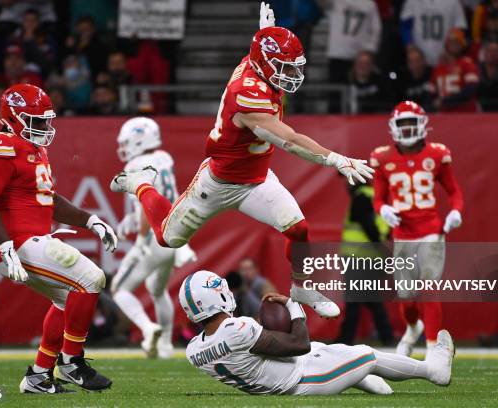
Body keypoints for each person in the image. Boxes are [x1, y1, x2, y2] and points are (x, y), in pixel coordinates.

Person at [110, 3, 374, 319]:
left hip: (258, 179)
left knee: (299, 229)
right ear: (264, 65)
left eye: (294, 67)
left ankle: (301, 287)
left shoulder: (256, 64)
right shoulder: (247, 94)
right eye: (285, 67)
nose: (292, 75)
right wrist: (335, 159)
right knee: (167, 237)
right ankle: (140, 184)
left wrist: (263, 31)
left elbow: (257, 54)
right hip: (219, 183)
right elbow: (289, 140)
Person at [0, 83, 117, 393]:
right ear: (13, 118)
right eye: (37, 121)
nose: (45, 127)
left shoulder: (34, 149)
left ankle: (38, 375)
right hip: (15, 242)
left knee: (68, 301)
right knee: (91, 278)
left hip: (27, 239)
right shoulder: (1, 143)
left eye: (47, 120)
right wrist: (6, 246)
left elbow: (49, 200)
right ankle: (71, 361)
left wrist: (92, 220)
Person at [181, 270, 454, 396]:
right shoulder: (237, 329)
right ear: (216, 297)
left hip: (281, 377)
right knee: (366, 355)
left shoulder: (194, 350)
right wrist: (293, 306)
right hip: (304, 381)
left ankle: (369, 383)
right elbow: (299, 343)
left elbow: (257, 347)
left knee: (323, 347)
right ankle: (433, 371)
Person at [370, 101, 464, 358]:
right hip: (403, 233)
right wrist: (383, 210)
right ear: (394, 127)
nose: (409, 129)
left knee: (430, 287)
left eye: (412, 123)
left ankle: (434, 349)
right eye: (403, 124)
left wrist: (455, 211)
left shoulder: (436, 154)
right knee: (407, 299)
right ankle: (413, 328)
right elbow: (378, 198)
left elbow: (454, 191)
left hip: (432, 230)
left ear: (423, 125)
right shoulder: (382, 157)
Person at [111, 117, 197, 359]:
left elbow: (145, 206)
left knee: (119, 289)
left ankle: (149, 329)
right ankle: (166, 347)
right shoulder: (164, 157)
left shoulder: (137, 164)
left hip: (155, 236)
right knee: (157, 290)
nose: (125, 147)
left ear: (140, 139)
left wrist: (139, 240)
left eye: (128, 142)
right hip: (175, 234)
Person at [338, 182, 394, 346]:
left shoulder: (362, 197)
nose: (347, 186)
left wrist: (381, 246)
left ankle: (345, 340)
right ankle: (387, 336)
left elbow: (368, 225)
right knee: (371, 298)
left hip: (359, 257)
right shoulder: (377, 197)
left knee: (354, 301)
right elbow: (385, 228)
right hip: (372, 258)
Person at [324, 0, 382, 87]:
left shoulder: (370, 4)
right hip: (338, 54)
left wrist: (369, 50)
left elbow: (376, 29)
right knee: (336, 92)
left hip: (360, 56)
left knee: (360, 90)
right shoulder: (336, 2)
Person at [400, 0, 467, 66]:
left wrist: (451, 52)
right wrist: (411, 47)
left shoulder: (453, 2)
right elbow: (406, 26)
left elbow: (459, 28)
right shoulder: (412, 2)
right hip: (420, 59)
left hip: (445, 57)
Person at [430, 29, 480, 112]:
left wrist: (446, 101)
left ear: (462, 45)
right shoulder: (438, 68)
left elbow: (471, 89)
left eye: (457, 42)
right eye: (451, 42)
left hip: (465, 113)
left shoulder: (467, 63)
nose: (454, 45)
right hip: (444, 115)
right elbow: (431, 94)